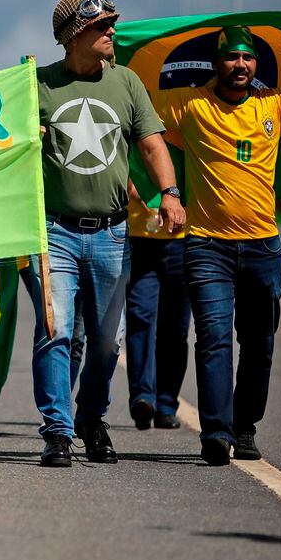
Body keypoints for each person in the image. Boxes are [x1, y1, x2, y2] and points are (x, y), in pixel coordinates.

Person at [157, 26, 281, 465]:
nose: (241, 66)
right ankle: (216, 432)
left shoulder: (276, 106)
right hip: (207, 246)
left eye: (248, 59)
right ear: (217, 63)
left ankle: (245, 426)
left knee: (259, 342)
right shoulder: (189, 104)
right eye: (232, 57)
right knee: (213, 338)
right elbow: (138, 121)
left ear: (256, 65)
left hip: (263, 249)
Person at [26, 0, 186, 468]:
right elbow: (7, 153)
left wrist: (170, 193)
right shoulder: (35, 86)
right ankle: (57, 430)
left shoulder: (128, 83)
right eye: (102, 26)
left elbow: (153, 145)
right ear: (74, 35)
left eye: (112, 24)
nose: (111, 32)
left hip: (114, 234)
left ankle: (91, 419)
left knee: (104, 342)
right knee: (55, 331)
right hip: (54, 232)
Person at [123, 182, 189, 430]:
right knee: (139, 317)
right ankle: (142, 398)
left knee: (176, 327)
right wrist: (131, 184)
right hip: (138, 237)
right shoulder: (134, 139)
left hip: (180, 237)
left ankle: (166, 405)